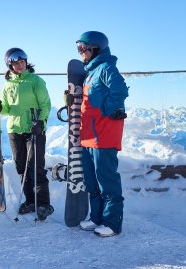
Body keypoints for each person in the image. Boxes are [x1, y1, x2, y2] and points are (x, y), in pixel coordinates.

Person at [76, 31, 129, 237]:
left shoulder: (107, 68)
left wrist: (109, 110)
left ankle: (112, 223)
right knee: (92, 181)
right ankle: (96, 217)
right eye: (78, 47)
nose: (80, 51)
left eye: (82, 47)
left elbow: (120, 90)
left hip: (103, 135)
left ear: (95, 48)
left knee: (107, 180)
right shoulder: (91, 71)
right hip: (89, 135)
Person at [0, 48, 54, 220]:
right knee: (22, 168)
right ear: (9, 65)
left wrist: (40, 122)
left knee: (35, 166)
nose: (20, 66)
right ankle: (30, 201)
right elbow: (6, 109)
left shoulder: (36, 81)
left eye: (22, 62)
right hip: (15, 130)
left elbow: (46, 104)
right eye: (16, 63)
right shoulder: (8, 84)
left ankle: (43, 204)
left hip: (34, 128)